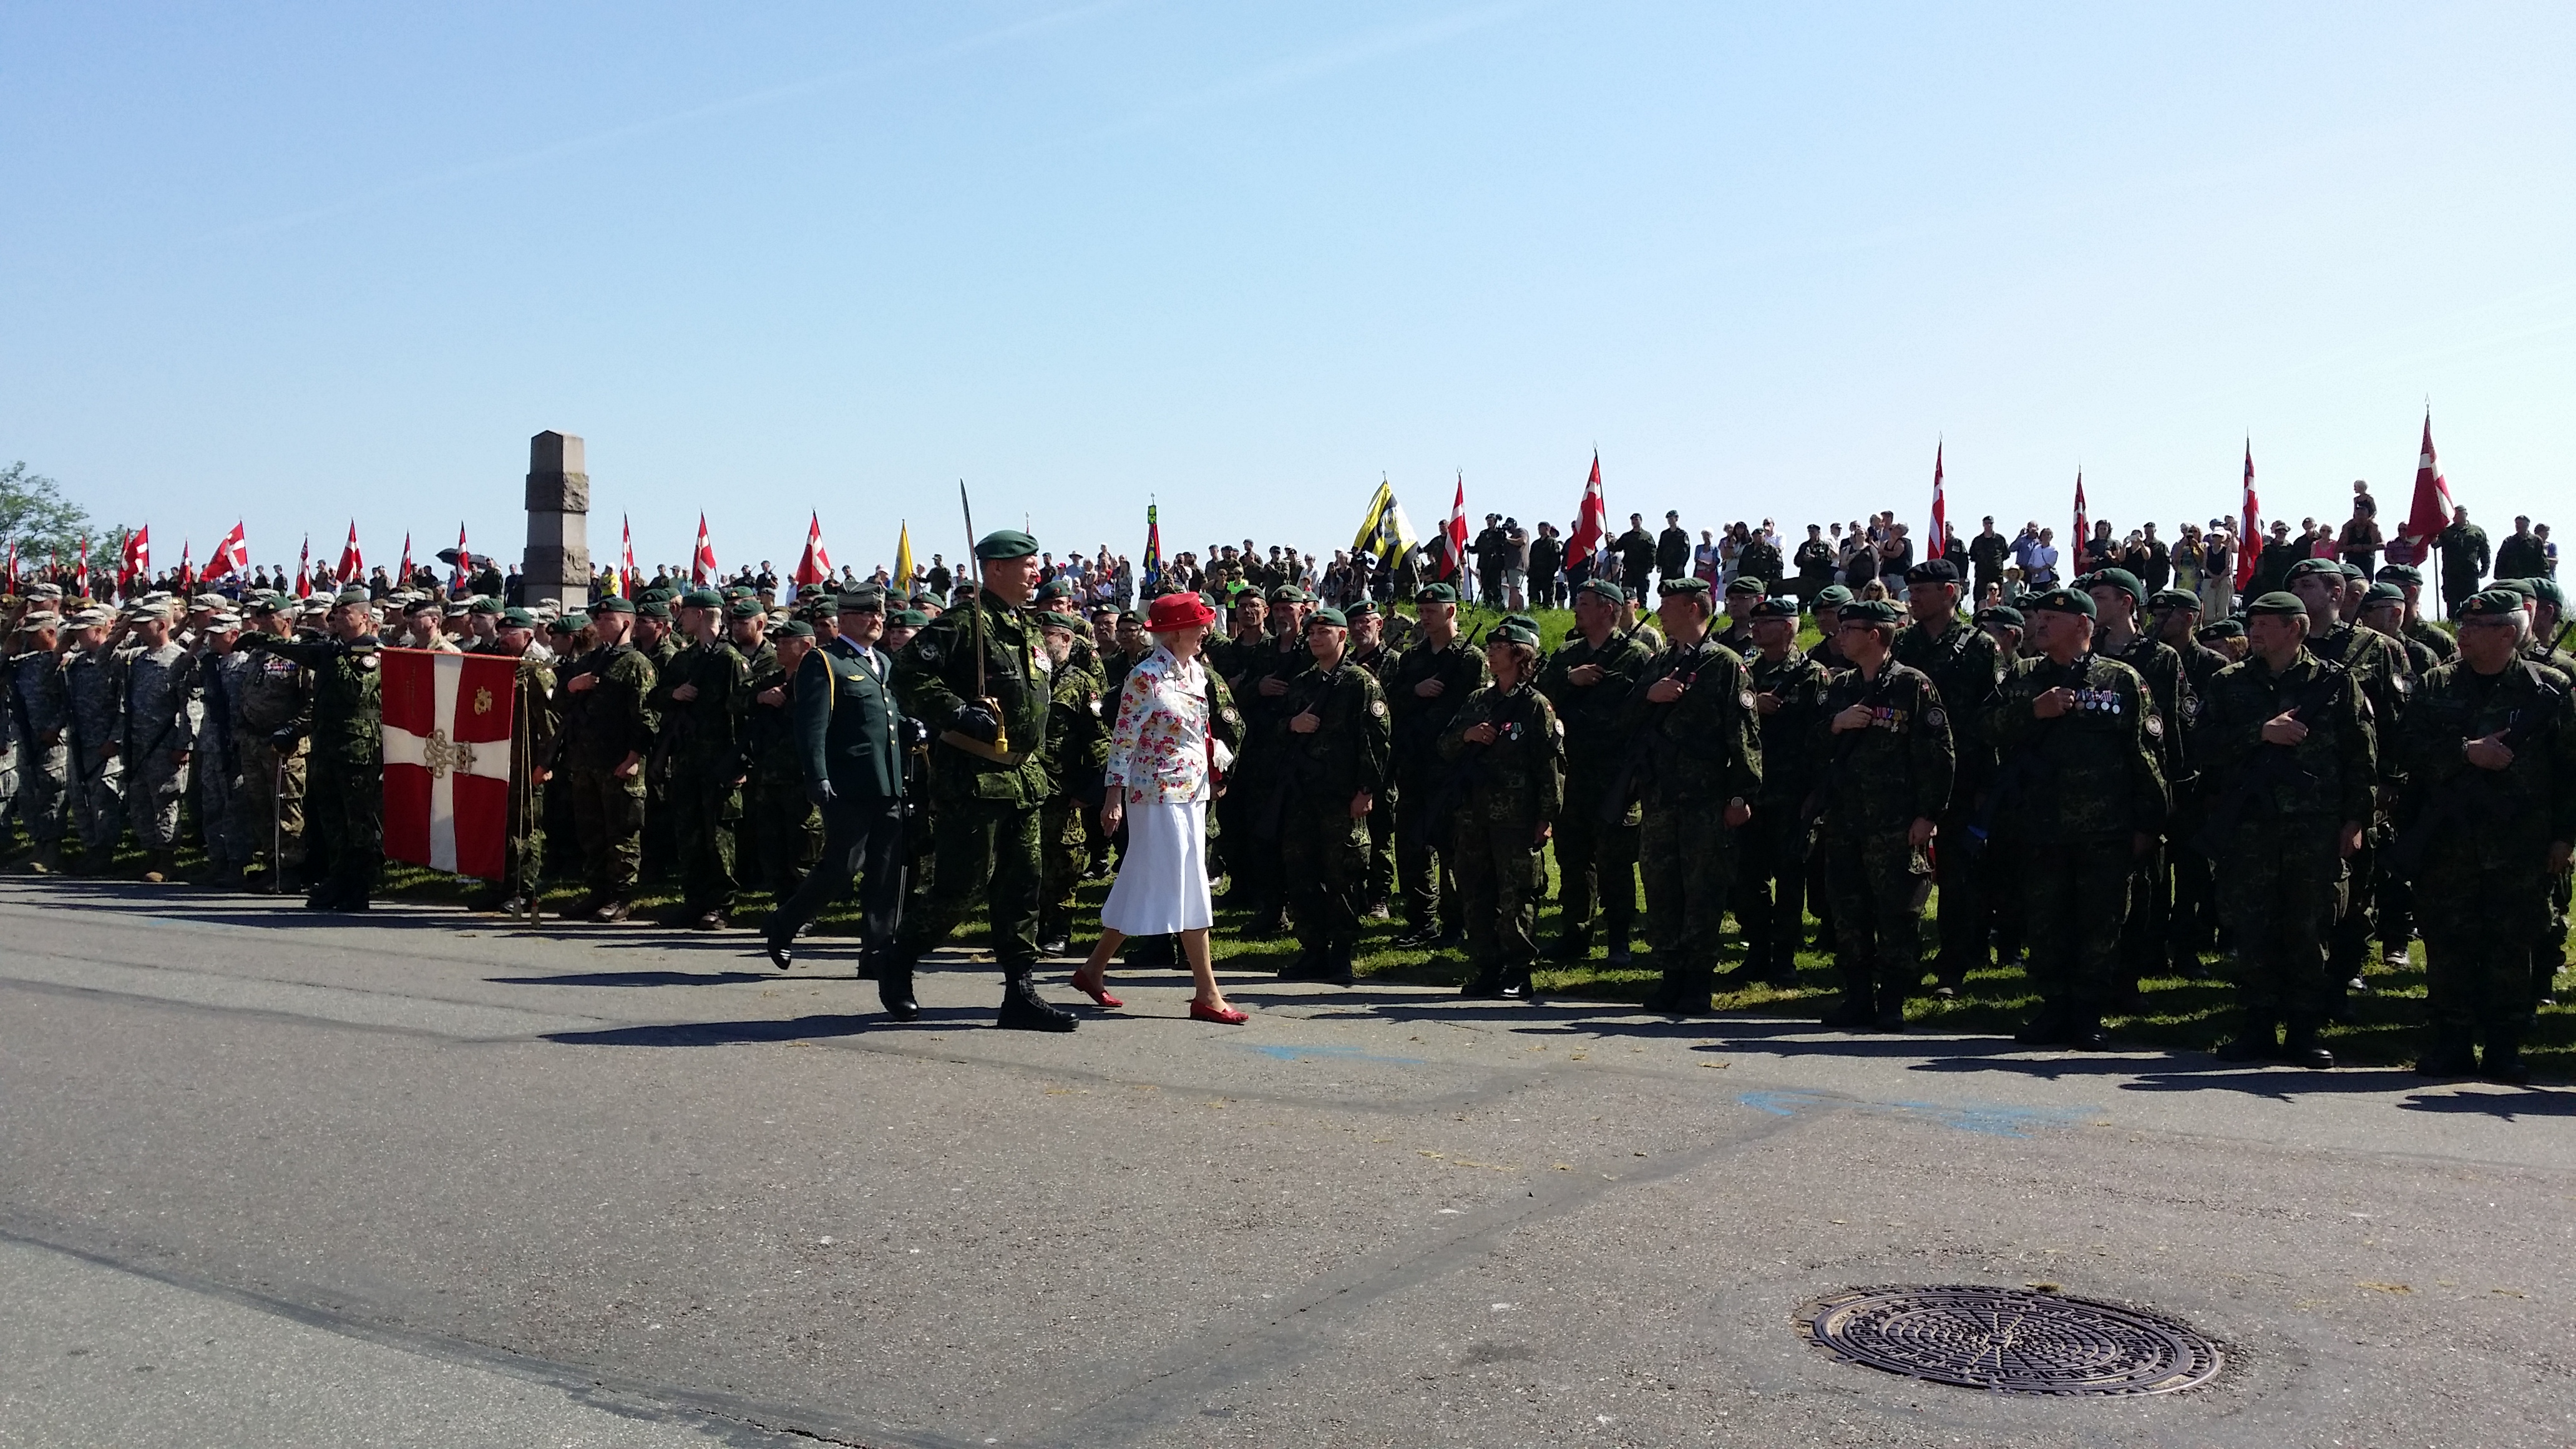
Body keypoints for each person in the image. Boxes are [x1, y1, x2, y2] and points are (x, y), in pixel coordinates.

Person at [886, 529, 1080, 1032]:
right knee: (961, 886)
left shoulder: (1027, 629)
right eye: (1027, 564)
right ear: (995, 568)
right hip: (972, 778)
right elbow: (907, 675)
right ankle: (899, 959)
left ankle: (1019, 991)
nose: (1037, 572)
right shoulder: (962, 625)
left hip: (1022, 777)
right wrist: (954, 712)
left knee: (1022, 887)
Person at [2397, 590, 2576, 1084]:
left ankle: (2504, 1046)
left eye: (2477, 627)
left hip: (2519, 846)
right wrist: (2465, 752)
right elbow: (2406, 749)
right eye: (2463, 624)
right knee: (2448, 943)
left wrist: (2564, 837)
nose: (2464, 634)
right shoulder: (2436, 684)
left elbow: (2570, 772)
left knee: (2511, 946)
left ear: (2507, 632)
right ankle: (2450, 1043)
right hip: (2447, 843)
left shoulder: (2551, 689)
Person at [2193, 592, 2371, 1068]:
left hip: (2313, 828)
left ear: (2295, 628)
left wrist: (2355, 821)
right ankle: (2256, 1025)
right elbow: (2199, 745)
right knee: (2253, 927)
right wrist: (2260, 733)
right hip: (2249, 829)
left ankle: (2304, 1030)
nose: (2254, 633)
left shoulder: (2333, 682)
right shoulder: (2228, 683)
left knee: (2308, 929)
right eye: (2252, 624)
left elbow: (2361, 756)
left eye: (2266, 625)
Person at [1986, 588, 2166, 1049]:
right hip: (2042, 827)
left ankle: (2088, 1012)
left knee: (2099, 924)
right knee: (2046, 922)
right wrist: (2032, 711)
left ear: (2083, 626)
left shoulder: (2121, 680)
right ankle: (2053, 1008)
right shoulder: (2024, 676)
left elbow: (2146, 756)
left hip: (2104, 831)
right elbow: (1981, 729)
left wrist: (2148, 824)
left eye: (2051, 618)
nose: (2039, 625)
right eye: (2039, 617)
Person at [1075, 590, 1247, 1021]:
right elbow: (1123, 739)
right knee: (1187, 885)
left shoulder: (1197, 673)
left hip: (1193, 791)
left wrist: (1216, 770)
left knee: (1145, 881)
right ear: (1176, 633)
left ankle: (1093, 970)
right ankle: (1207, 993)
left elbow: (1197, 733)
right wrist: (1113, 795)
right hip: (1155, 795)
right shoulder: (1145, 677)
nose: (1207, 629)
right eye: (1200, 624)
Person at [763, 588, 915, 1005]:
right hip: (847, 782)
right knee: (842, 867)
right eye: (866, 613)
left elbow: (885, 716)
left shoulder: (880, 661)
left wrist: (914, 726)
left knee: (885, 873)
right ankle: (785, 923)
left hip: (888, 782)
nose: (876, 620)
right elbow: (811, 725)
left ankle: (877, 953)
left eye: (879, 613)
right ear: (844, 619)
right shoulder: (824, 662)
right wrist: (817, 776)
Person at [1622, 577, 1762, 1015]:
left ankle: (1698, 979)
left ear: (1695, 609)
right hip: (1661, 796)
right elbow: (1623, 715)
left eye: (1669, 604)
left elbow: (1744, 734)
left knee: (1703, 889)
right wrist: (1650, 693)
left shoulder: (1725, 664)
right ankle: (1672, 974)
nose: (1660, 611)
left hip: (1706, 797)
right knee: (1662, 886)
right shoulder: (1662, 660)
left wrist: (1741, 793)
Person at [1813, 598, 1952, 1030]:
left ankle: (1892, 1001)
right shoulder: (1841, 686)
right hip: (1845, 821)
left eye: (1848, 629)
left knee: (1897, 914)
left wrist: (1928, 815)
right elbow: (1809, 746)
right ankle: (1857, 997)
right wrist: (1836, 724)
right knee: (1848, 912)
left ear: (1874, 635)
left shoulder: (1913, 685)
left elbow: (1939, 755)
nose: (1839, 636)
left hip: (1895, 824)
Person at [1438, 618, 1563, 1000]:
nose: (1491, 651)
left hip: (1516, 818)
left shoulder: (1535, 706)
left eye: (1500, 647)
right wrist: (1467, 735)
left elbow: (1550, 765)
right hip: (1474, 816)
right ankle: (1487, 966)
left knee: (1517, 895)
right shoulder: (1479, 701)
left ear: (1520, 655)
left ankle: (1518, 970)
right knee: (1475, 892)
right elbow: (1444, 745)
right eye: (1490, 646)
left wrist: (1546, 818)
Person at [1269, 607, 1392, 986]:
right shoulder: (1304, 682)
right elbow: (1275, 730)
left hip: (1341, 796)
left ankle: (1341, 956)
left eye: (1325, 632)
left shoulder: (1360, 682)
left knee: (1344, 877)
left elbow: (1377, 740)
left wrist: (1366, 790)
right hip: (1303, 794)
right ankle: (1312, 951)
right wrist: (1293, 724)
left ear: (1341, 637)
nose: (1316, 638)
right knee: (1302, 874)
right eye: (1312, 634)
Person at [242, 588, 385, 911]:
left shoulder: (370, 653)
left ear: (364, 617)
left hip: (358, 750)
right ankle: (337, 879)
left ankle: (359, 885)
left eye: (346, 613)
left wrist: (332, 655)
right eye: (335, 613)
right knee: (331, 821)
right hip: (327, 745)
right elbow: (302, 653)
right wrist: (266, 642)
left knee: (359, 823)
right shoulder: (333, 650)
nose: (337, 617)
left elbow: (355, 691)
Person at [1536, 579, 1654, 965]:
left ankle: (1618, 938)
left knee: (1615, 861)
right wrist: (1570, 678)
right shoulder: (1569, 653)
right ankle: (1575, 934)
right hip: (1573, 771)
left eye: (1585, 603)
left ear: (1608, 609)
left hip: (1615, 774)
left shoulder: (1637, 656)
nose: (1577, 608)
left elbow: (1645, 714)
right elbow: (1538, 694)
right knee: (1573, 859)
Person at [1732, 595, 1829, 987]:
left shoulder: (1813, 675)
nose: (1757, 628)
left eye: (1768, 622)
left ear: (1790, 627)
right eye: (1757, 622)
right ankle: (1757, 951)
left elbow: (1823, 736)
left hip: (1793, 793)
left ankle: (1784, 957)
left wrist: (1816, 793)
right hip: (1755, 789)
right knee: (1748, 877)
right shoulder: (1747, 672)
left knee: (1791, 877)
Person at [1386, 583, 1486, 949]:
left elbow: (1473, 706)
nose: (1425, 617)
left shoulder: (1470, 657)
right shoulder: (1412, 658)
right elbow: (1392, 699)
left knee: (1452, 849)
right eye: (1422, 610)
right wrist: (1416, 691)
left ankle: (1455, 921)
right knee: (1412, 847)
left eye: (1432, 610)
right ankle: (1420, 921)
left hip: (1451, 767)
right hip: (1414, 764)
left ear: (1451, 612)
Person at [555, 597, 657, 922]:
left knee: (622, 833)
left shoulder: (636, 664)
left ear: (626, 623)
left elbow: (646, 716)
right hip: (586, 761)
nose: (599, 624)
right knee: (592, 832)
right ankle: (597, 892)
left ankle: (620, 897)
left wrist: (634, 756)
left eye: (607, 619)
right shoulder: (590, 660)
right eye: (597, 619)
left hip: (618, 760)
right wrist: (574, 685)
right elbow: (558, 701)